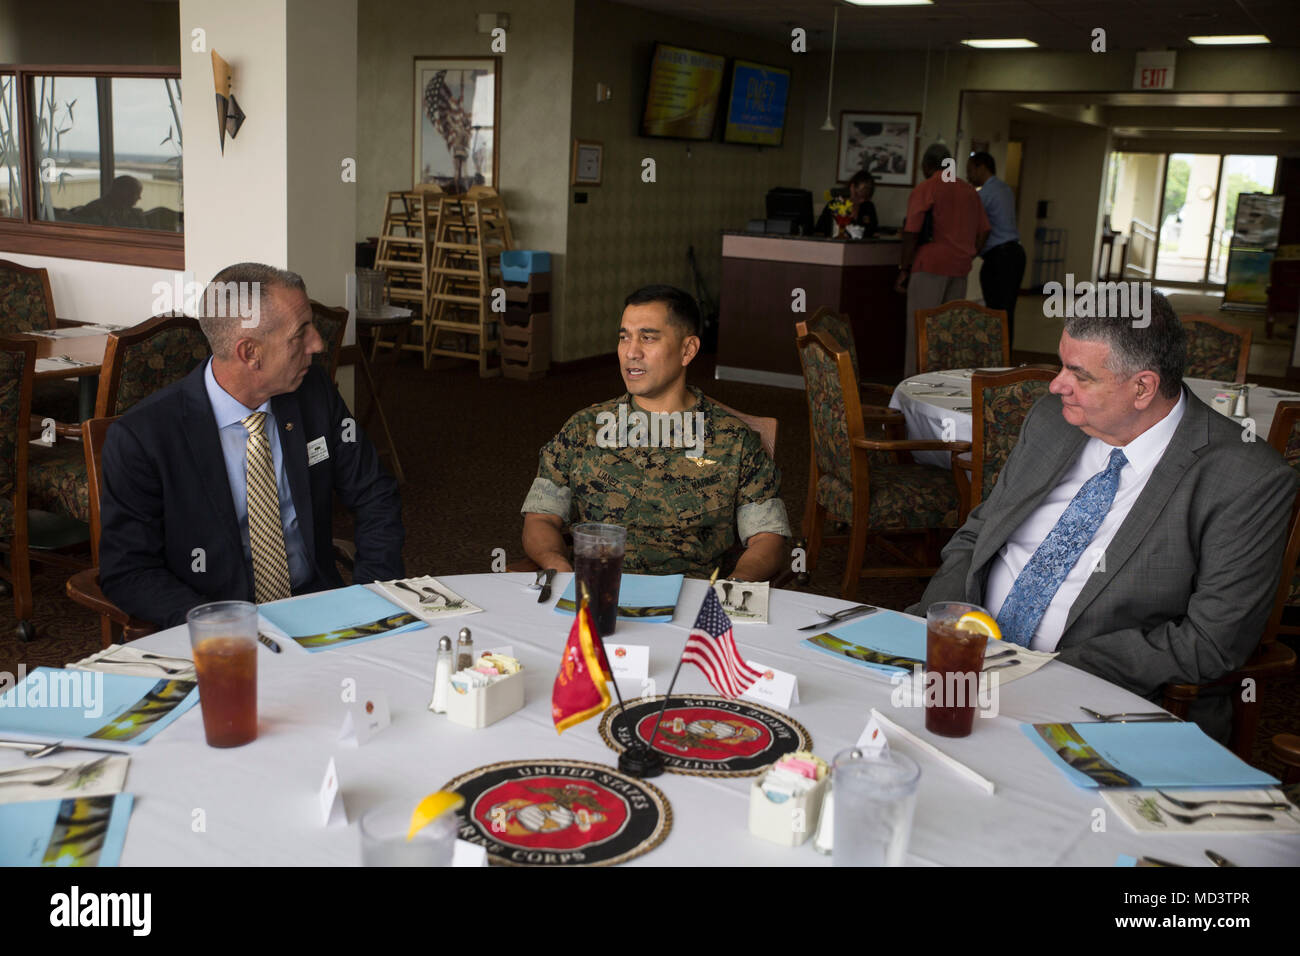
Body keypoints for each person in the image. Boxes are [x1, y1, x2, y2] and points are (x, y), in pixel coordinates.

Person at [907, 293, 1296, 740]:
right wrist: (935, 629)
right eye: (1061, 365)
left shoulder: (1245, 477)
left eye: (1079, 374)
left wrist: (1044, 672)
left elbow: (1211, 643)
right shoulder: (1053, 419)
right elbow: (978, 534)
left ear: (1143, 388)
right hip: (959, 661)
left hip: (1096, 703)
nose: (1056, 385)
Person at [99, 262, 405, 628]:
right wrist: (221, 628)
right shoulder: (145, 438)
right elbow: (129, 570)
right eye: (301, 333)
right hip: (220, 626)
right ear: (249, 353)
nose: (318, 344)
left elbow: (375, 494)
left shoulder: (313, 393)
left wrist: (369, 595)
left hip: (320, 608)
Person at [521, 284, 791, 581]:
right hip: (598, 591)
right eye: (624, 337)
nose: (631, 352)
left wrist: (734, 586)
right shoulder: (584, 428)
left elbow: (768, 538)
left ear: (687, 350)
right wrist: (556, 562)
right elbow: (541, 518)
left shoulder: (734, 441)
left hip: (690, 600)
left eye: (647, 338)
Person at [896, 143, 990, 376]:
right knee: (948, 332)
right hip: (959, 268)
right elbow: (985, 230)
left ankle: (914, 388)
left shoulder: (928, 188)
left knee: (920, 332)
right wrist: (969, 253)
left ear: (927, 166)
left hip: (929, 265)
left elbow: (911, 231)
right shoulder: (969, 190)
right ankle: (943, 385)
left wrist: (903, 269)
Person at [966, 151, 1026, 347]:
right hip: (1014, 254)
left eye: (970, 170)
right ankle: (1004, 356)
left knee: (996, 311)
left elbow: (979, 227)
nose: (968, 176)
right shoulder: (1004, 188)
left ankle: (997, 356)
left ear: (981, 167)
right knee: (1007, 311)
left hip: (1000, 257)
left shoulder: (985, 194)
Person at [815, 170, 878, 238]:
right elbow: (819, 231)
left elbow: (873, 231)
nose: (861, 200)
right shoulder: (835, 204)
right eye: (857, 195)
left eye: (865, 198)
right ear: (852, 187)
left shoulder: (868, 207)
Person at [73, 175, 147, 228]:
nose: (139, 198)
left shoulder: (134, 213)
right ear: (124, 192)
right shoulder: (95, 210)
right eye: (137, 193)